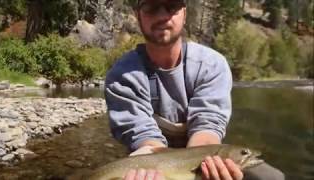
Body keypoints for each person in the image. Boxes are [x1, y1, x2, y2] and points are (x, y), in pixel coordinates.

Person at [104, 0, 285, 179]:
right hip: (148, 161)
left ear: (184, 14)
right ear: (138, 16)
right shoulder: (121, 76)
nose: (161, 16)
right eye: (151, 8)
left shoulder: (211, 65)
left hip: (200, 155)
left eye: (171, 6)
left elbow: (207, 127)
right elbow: (144, 138)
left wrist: (209, 165)